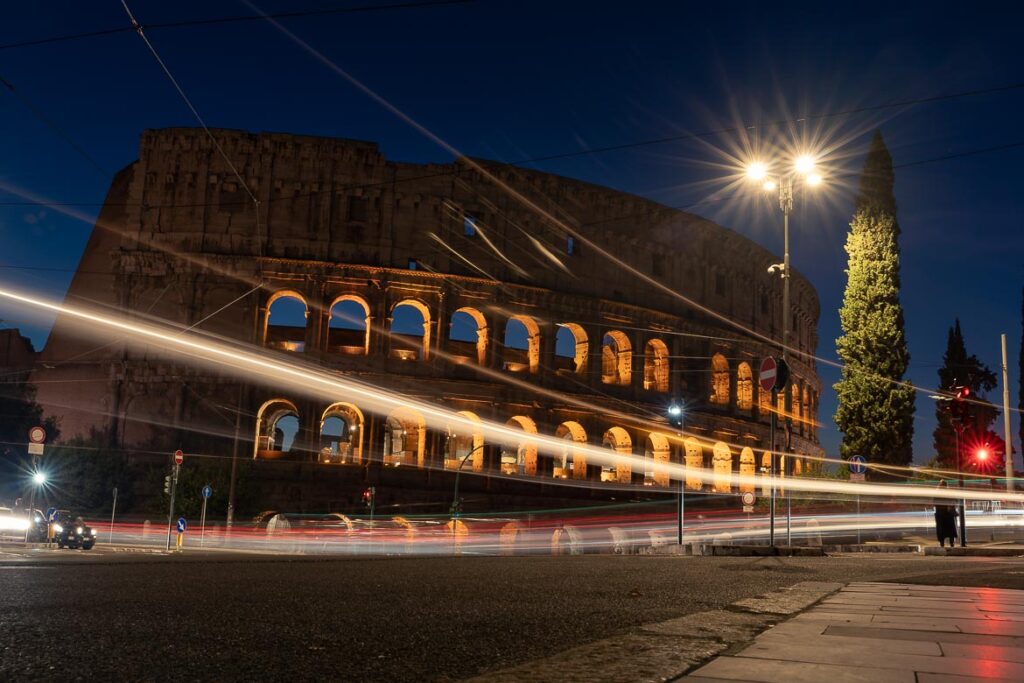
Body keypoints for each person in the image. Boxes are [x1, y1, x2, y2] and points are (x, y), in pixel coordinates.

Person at [934, 480, 958, 547]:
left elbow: (935, 503)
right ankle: (952, 543)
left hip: (940, 514)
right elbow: (955, 500)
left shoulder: (937, 493)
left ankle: (942, 544)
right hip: (949, 514)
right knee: (951, 530)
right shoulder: (949, 492)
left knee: (941, 530)